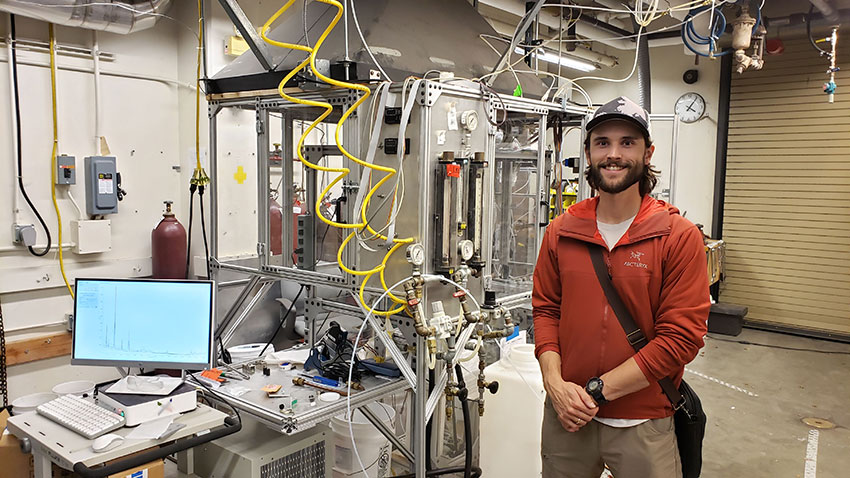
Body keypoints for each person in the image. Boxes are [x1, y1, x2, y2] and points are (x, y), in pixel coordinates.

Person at [532, 96, 710, 478]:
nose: (613, 154)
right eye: (602, 142)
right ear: (588, 152)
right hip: (567, 421)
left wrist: (596, 392)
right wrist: (554, 384)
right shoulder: (562, 231)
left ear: (648, 153)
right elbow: (546, 309)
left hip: (643, 423)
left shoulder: (676, 236)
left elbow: (681, 339)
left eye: (627, 142)